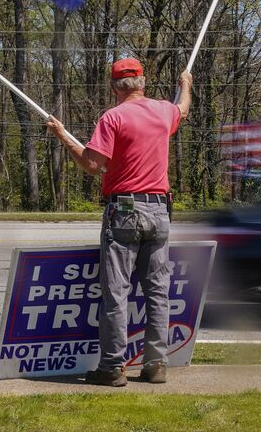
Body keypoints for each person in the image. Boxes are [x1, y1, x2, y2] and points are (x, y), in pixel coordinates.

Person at [46, 58, 192, 386]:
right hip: (159, 210)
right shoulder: (163, 111)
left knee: (116, 291)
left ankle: (113, 366)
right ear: (142, 83)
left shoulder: (112, 118)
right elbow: (182, 108)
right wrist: (186, 83)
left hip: (124, 210)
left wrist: (61, 135)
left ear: (114, 87)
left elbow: (92, 164)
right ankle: (156, 365)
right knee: (157, 291)